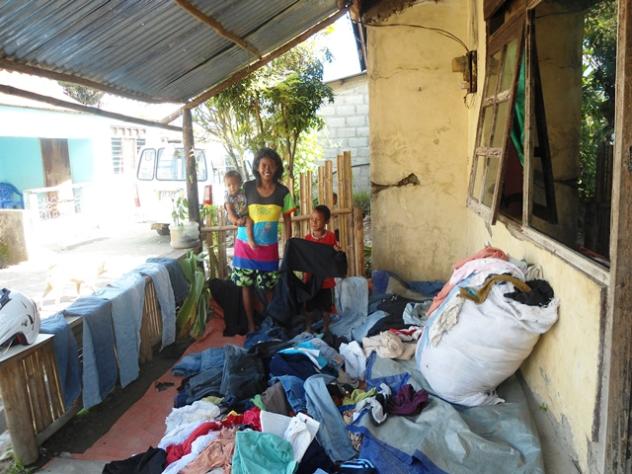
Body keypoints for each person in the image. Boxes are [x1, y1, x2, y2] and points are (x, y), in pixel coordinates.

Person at [231, 148, 294, 332]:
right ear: (257, 167)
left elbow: (287, 221)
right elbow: (232, 205)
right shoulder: (247, 188)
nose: (267, 169)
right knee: (246, 286)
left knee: (270, 287)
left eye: (271, 165)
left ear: (277, 168)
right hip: (244, 246)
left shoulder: (283, 192)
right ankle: (252, 326)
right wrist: (234, 218)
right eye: (263, 165)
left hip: (269, 248)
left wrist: (287, 244)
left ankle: (272, 322)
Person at [303, 205, 340, 333]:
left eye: (318, 220)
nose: (313, 222)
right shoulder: (307, 239)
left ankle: (326, 328)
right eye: (311, 219)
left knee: (326, 307)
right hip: (310, 279)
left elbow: (335, 256)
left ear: (326, 221)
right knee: (309, 306)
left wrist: (337, 252)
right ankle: (308, 328)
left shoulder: (331, 237)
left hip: (326, 280)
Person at [223, 170, 256, 249]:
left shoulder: (243, 192)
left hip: (244, 214)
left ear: (240, 184)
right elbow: (230, 211)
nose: (232, 187)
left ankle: (250, 239)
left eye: (234, 184)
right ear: (225, 186)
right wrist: (236, 220)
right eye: (229, 185)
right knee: (232, 217)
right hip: (233, 215)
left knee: (249, 221)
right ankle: (250, 239)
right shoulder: (228, 196)